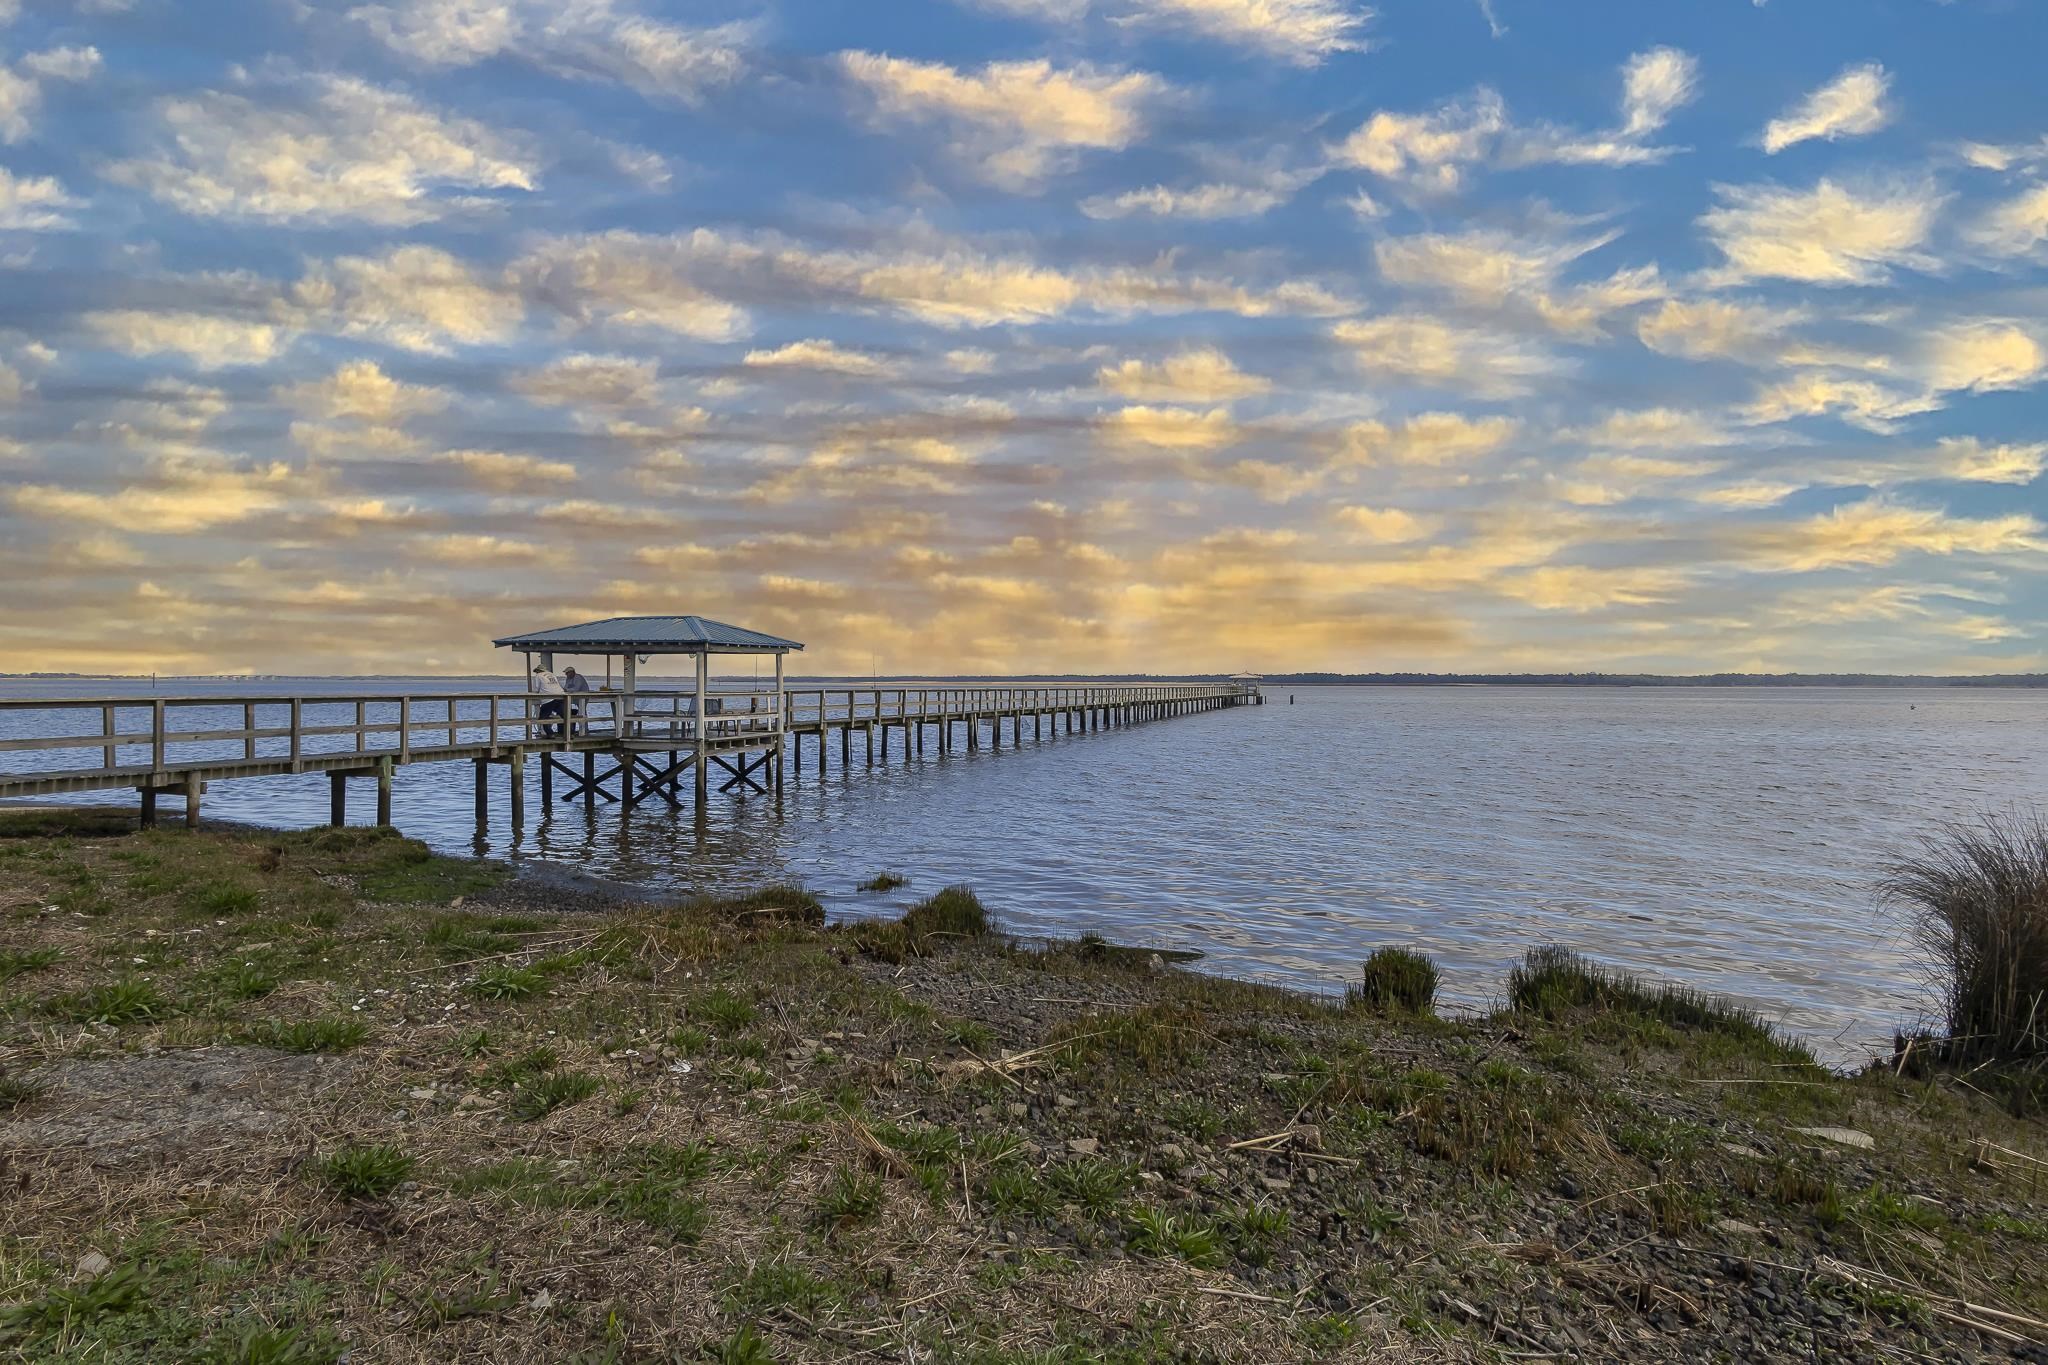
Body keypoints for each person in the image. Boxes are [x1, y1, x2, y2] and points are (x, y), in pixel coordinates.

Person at [532, 664, 566, 738]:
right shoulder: (552, 674)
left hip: (549, 698)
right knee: (565, 715)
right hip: (561, 696)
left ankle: (550, 734)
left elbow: (536, 689)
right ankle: (570, 733)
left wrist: (534, 695)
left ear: (538, 671)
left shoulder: (538, 676)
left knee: (543, 717)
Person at [562, 665, 592, 736]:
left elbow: (576, 689)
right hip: (573, 697)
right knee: (566, 709)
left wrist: (566, 690)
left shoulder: (578, 677)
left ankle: (584, 730)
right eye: (566, 673)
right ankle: (570, 729)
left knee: (582, 712)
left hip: (583, 696)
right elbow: (565, 687)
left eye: (567, 673)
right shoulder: (568, 678)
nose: (566, 674)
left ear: (572, 672)